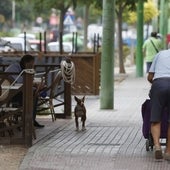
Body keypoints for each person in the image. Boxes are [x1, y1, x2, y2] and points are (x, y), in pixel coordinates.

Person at [5, 54, 45, 128]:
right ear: (26, 63)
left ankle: (30, 119)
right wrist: (33, 84)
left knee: (34, 94)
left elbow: (24, 83)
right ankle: (29, 120)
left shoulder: (22, 69)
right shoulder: (14, 68)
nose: (32, 66)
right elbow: (20, 82)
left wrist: (35, 86)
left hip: (16, 92)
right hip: (8, 95)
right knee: (32, 96)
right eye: (31, 64)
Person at [147, 49, 170, 160]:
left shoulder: (160, 54)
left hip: (159, 84)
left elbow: (150, 77)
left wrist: (157, 84)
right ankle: (169, 151)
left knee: (156, 118)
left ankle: (157, 146)